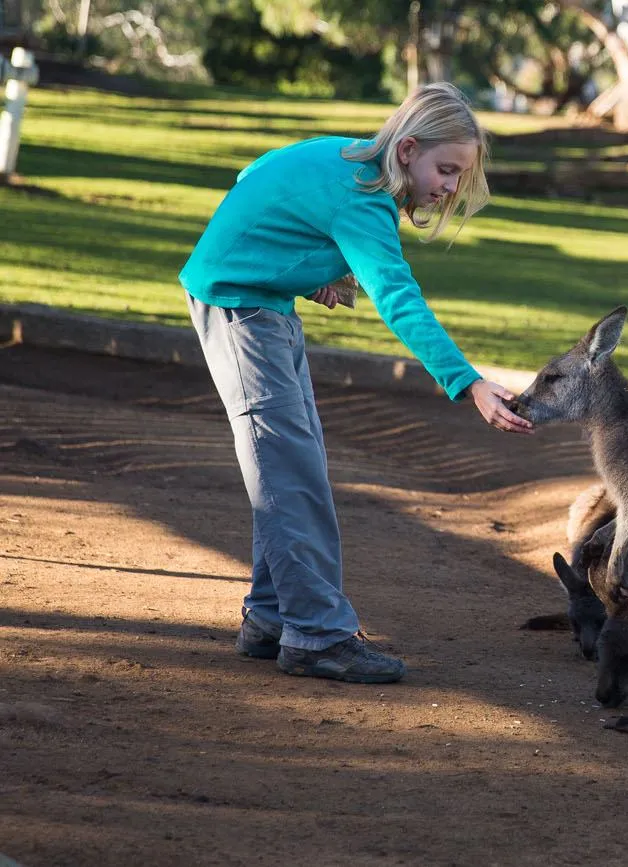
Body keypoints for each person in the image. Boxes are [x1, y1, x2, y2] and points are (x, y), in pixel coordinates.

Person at [180, 83, 533, 685]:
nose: (449, 186)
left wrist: (298, 259)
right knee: (291, 471)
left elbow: (256, 174)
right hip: (239, 310)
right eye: (445, 170)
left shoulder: (347, 157)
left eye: (457, 176)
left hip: (263, 303)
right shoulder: (363, 201)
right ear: (408, 149)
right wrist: (468, 383)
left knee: (296, 460)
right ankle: (317, 636)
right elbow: (398, 298)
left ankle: (270, 619)